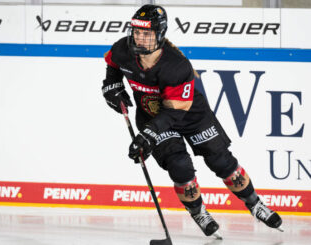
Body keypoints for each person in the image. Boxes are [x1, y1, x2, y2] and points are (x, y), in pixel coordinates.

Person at [101, 4, 283, 237]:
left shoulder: (176, 65)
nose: (139, 38)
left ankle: (254, 203)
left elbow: (175, 111)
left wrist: (149, 134)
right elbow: (113, 65)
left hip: (190, 115)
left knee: (221, 161)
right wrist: (112, 86)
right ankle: (198, 211)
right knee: (179, 166)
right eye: (136, 32)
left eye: (146, 34)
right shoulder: (122, 49)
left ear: (160, 34)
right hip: (152, 114)